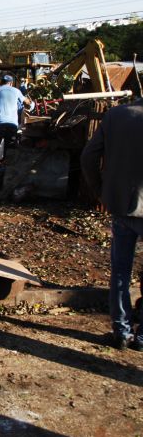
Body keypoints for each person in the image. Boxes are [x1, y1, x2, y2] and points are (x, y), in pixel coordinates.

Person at [81, 97, 143, 350]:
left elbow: (88, 157)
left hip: (122, 206)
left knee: (120, 272)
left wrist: (99, 191)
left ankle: (121, 331)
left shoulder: (117, 115)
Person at [0, 75, 32, 188]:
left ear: (1, 82)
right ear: (11, 83)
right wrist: (30, 102)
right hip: (12, 126)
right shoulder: (16, 91)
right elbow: (27, 103)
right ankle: (7, 180)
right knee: (9, 152)